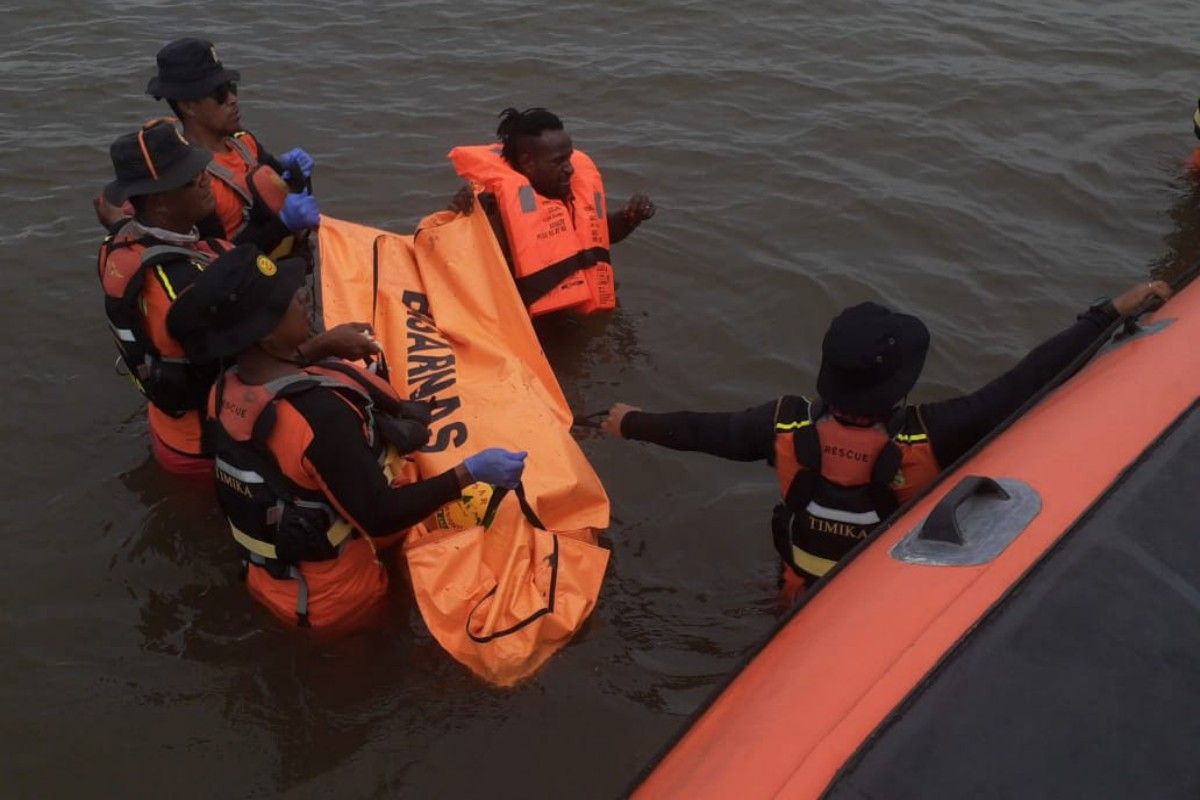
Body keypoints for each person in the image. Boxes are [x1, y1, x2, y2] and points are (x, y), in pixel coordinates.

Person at [600, 280, 1173, 606]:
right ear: (902, 384)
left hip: (797, 596)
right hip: (875, 606)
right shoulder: (936, 433)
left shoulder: (784, 423)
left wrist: (630, 421)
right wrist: (1107, 314)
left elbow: (701, 432)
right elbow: (1031, 378)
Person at [166, 245, 529, 628]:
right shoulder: (321, 417)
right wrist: (468, 473)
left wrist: (317, 347)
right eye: (288, 299)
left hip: (271, 579)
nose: (303, 295)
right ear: (265, 335)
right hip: (336, 602)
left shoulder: (223, 390)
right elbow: (381, 515)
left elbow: (272, 380)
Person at [97, 119, 369, 476]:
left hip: (168, 425)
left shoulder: (123, 245)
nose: (205, 178)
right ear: (160, 202)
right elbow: (250, 373)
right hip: (205, 449)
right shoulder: (182, 289)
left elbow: (109, 210)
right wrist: (326, 346)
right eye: (191, 178)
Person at [95, 38, 318, 257]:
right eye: (220, 93)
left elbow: (283, 188)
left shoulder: (244, 141)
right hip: (257, 279)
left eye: (231, 88)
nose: (232, 99)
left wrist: (298, 176)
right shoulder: (192, 181)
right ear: (188, 106)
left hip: (292, 259)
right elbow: (219, 263)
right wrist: (282, 224)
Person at [449, 107, 656, 316]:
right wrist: (467, 212)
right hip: (535, 324)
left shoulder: (564, 190)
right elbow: (460, 264)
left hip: (584, 310)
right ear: (528, 162)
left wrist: (629, 217)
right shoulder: (489, 203)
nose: (570, 169)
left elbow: (598, 234)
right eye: (558, 161)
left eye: (569, 158)